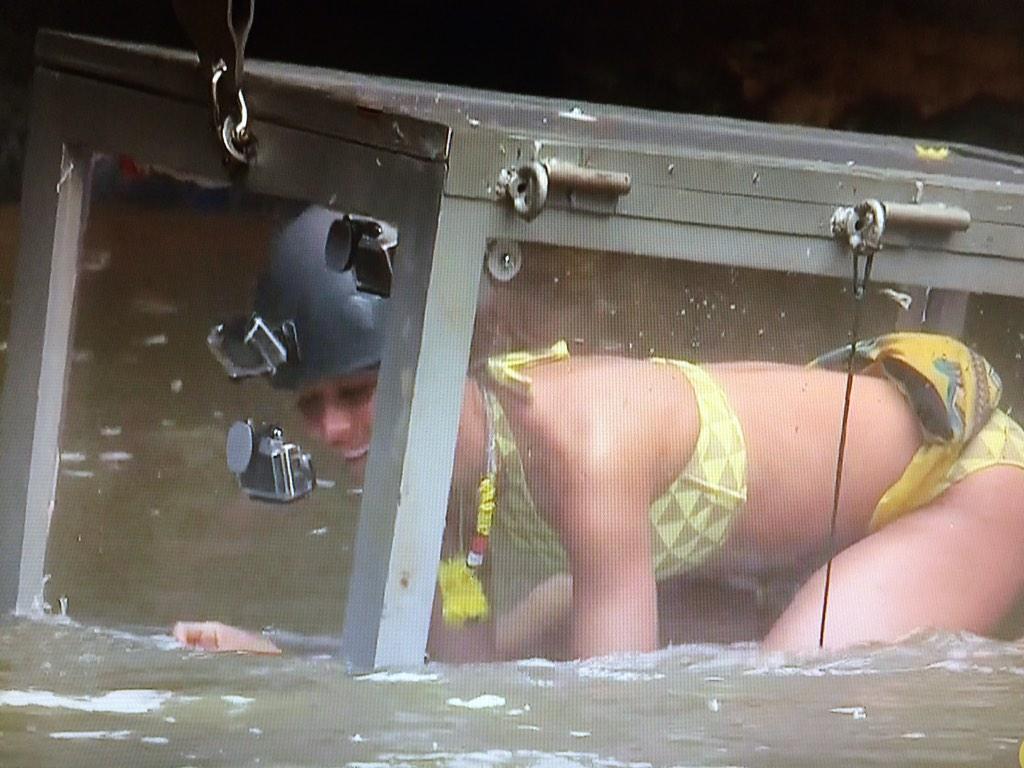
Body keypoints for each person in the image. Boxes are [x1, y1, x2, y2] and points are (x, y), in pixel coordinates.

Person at [174, 206, 1024, 660]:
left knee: (782, 695)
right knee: (541, 637)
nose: (331, 427)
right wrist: (284, 672)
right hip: (786, 549)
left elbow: (609, 723)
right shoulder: (446, 485)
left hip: (957, 487)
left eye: (356, 392)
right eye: (310, 404)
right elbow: (454, 678)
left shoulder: (580, 446)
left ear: (439, 358)